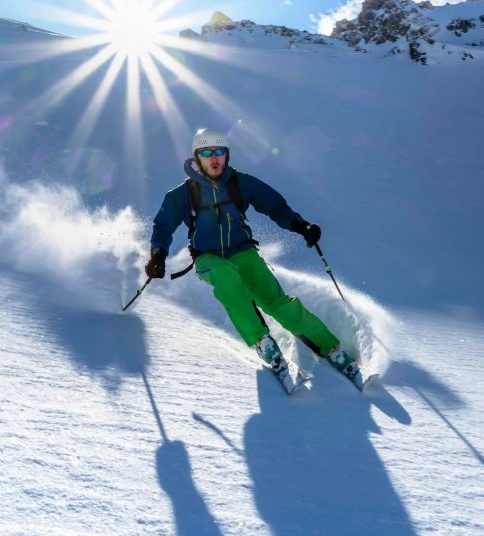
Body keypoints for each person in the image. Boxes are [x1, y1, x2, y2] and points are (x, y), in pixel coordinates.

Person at [145, 128, 360, 383]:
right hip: (207, 258)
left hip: (244, 252)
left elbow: (275, 206)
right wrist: (158, 255)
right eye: (206, 153)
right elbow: (163, 226)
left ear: (226, 155)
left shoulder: (240, 183)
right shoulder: (183, 194)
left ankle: (331, 348)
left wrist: (301, 226)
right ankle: (262, 341)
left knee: (277, 302)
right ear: (197, 158)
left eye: (219, 152)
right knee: (227, 281)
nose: (214, 158)